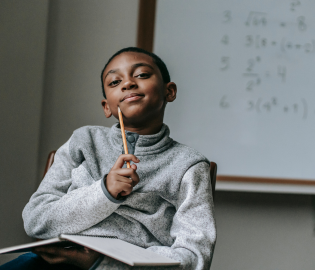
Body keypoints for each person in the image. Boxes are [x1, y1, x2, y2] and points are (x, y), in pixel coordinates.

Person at [0, 47, 216, 270]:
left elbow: (194, 257)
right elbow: (35, 220)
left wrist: (102, 264)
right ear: (106, 106)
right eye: (114, 82)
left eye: (141, 75)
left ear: (169, 91)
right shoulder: (83, 141)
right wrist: (104, 192)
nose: (128, 84)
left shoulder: (189, 164)